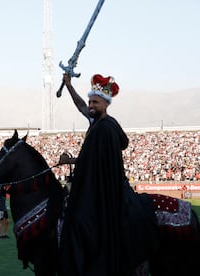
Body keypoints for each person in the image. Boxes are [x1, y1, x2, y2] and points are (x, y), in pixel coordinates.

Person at [58, 73, 159, 275]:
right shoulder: (98, 123)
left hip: (109, 186)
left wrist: (71, 161)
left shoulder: (105, 128)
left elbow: (93, 160)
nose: (91, 105)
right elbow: (80, 106)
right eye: (90, 101)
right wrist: (69, 86)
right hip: (100, 181)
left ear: (105, 103)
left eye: (95, 102)